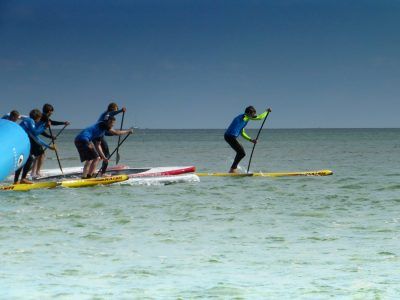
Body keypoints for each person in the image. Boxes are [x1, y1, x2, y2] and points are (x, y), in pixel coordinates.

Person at [224, 106, 272, 173]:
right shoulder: (244, 117)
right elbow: (260, 117)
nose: (254, 116)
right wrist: (266, 111)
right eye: (253, 114)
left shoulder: (244, 119)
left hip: (230, 137)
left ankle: (232, 169)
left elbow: (242, 132)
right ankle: (232, 169)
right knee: (241, 153)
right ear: (249, 113)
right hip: (229, 137)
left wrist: (251, 140)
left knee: (241, 153)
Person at [14, 109, 56, 184]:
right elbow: (35, 133)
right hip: (18, 142)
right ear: (37, 117)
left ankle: (17, 180)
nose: (39, 120)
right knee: (28, 159)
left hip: (18, 141)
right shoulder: (30, 121)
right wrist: (44, 127)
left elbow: (36, 138)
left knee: (25, 160)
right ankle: (21, 179)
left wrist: (48, 147)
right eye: (39, 118)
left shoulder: (27, 122)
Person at [31, 103, 70, 178]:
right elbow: (53, 123)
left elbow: (42, 130)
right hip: (33, 137)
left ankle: (33, 172)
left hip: (32, 136)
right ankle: (37, 172)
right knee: (42, 155)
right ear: (49, 111)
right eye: (52, 112)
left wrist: (50, 136)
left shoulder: (43, 117)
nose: (52, 113)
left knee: (37, 155)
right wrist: (64, 123)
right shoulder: (44, 117)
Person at [96, 102, 126, 175]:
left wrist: (116, 134)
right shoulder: (107, 114)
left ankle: (94, 167)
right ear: (112, 108)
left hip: (98, 134)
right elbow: (112, 113)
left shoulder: (105, 115)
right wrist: (121, 111)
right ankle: (102, 173)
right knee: (107, 155)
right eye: (116, 108)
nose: (117, 109)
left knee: (101, 156)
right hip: (99, 135)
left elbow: (106, 132)